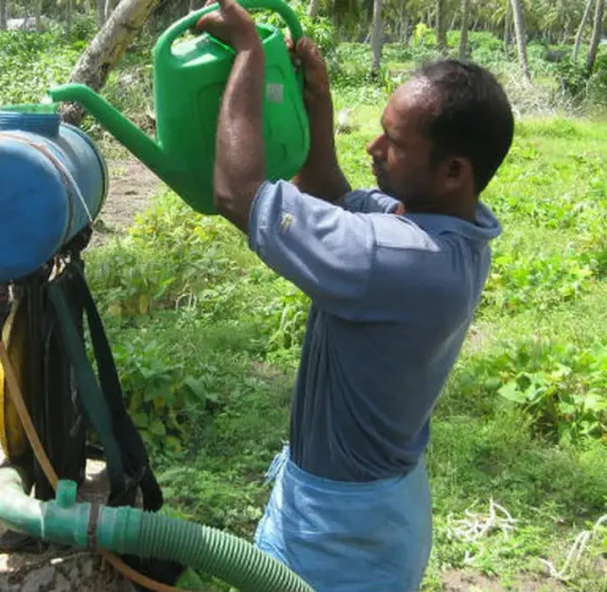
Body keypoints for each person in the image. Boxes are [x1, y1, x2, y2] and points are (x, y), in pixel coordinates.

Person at [195, 0, 514, 590]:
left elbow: (239, 195)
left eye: (393, 141)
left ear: (453, 171)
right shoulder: (450, 228)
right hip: (379, 505)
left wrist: (247, 56)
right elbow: (332, 194)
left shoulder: (396, 255)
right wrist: (318, 105)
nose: (373, 148)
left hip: (340, 532)